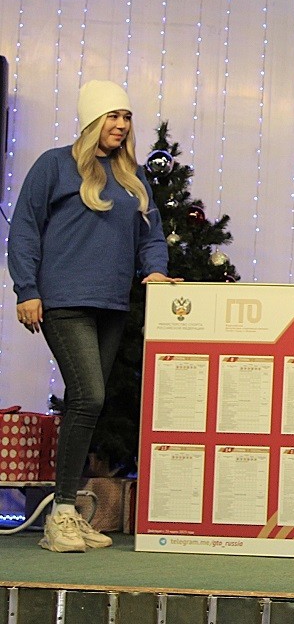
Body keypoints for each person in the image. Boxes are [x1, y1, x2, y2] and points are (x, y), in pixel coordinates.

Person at [8, 80, 177, 553]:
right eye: (112, 116)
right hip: (64, 301)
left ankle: (67, 511)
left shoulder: (133, 177)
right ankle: (61, 514)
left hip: (111, 303)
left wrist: (156, 269)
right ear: (92, 120)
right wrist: (27, 289)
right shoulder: (54, 165)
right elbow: (25, 229)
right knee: (89, 395)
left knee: (88, 404)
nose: (121, 125)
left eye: (126, 117)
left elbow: (151, 235)